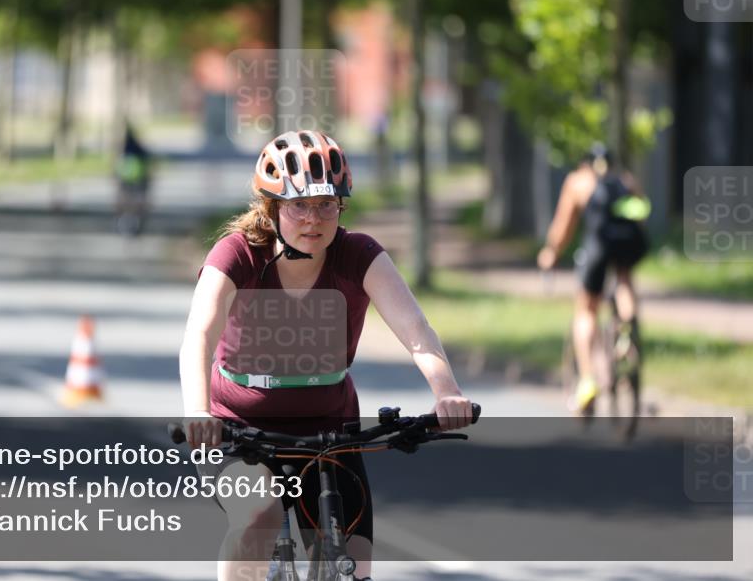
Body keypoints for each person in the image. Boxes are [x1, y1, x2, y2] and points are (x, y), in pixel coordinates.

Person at [178, 131, 474, 581]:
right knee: (259, 516)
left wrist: (446, 391)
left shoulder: (358, 255)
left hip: (330, 432)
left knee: (353, 557)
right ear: (272, 207)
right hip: (238, 432)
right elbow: (199, 335)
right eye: (299, 205)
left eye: (327, 205)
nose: (313, 219)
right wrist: (199, 412)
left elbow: (415, 329)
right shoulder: (237, 254)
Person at [537, 143, 650, 413]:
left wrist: (551, 253)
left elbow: (563, 227)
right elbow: (642, 215)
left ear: (584, 162)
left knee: (586, 310)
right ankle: (626, 335)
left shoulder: (577, 181)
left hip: (598, 248)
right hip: (630, 244)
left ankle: (587, 381)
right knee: (624, 278)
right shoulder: (625, 180)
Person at [114, 123, 151, 236]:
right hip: (137, 180)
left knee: (125, 202)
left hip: (126, 180)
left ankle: (123, 221)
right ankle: (136, 220)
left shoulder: (122, 150)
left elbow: (117, 167)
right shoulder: (140, 149)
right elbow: (147, 166)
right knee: (137, 203)